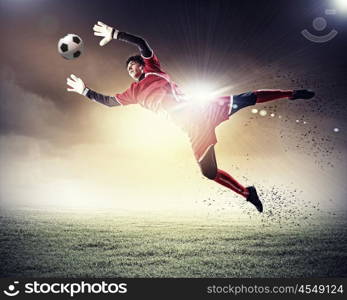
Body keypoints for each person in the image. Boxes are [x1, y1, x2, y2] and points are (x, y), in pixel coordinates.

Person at [66, 21, 315, 213]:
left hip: (202, 109)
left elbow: (142, 43)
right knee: (208, 173)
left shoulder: (155, 71)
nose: (131, 70)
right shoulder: (133, 92)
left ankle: (292, 93)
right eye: (128, 70)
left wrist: (116, 34)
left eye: (134, 65)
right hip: (193, 128)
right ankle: (248, 194)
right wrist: (85, 91)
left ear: (143, 65)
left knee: (248, 98)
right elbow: (109, 102)